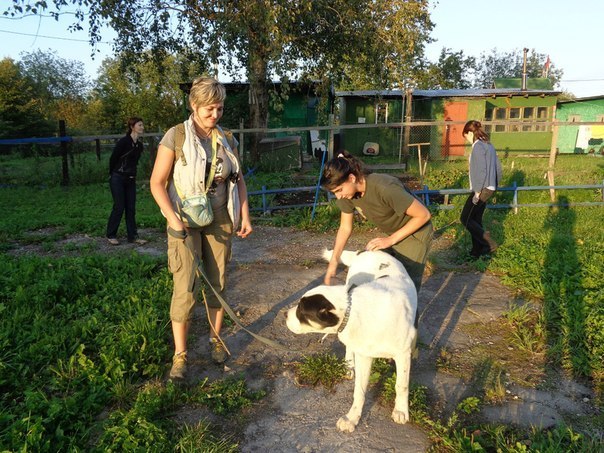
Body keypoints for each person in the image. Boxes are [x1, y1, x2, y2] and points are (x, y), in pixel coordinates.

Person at [150, 76, 253, 379]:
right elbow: (156, 183)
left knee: (217, 283)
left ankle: (216, 340)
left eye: (219, 109)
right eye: (209, 109)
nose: (215, 115)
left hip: (220, 217)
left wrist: (245, 214)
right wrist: (172, 218)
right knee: (185, 289)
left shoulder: (227, 138)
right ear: (193, 106)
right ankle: (180, 356)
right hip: (183, 220)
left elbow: (239, 179)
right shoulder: (176, 137)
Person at [320, 150, 433, 296]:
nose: (338, 196)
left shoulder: (384, 187)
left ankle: (407, 316)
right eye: (334, 192)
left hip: (416, 231)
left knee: (405, 288)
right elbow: (345, 228)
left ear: (352, 178)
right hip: (393, 232)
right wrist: (334, 262)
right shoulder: (347, 196)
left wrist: (390, 240)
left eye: (339, 190)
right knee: (376, 271)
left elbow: (424, 215)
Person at [460, 120, 503, 259]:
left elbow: (481, 170)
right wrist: (495, 184)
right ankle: (476, 252)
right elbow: (498, 168)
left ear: (470, 132)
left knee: (465, 218)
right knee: (476, 219)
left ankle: (488, 244)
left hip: (481, 188)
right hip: (489, 187)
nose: (466, 139)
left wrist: (477, 192)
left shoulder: (478, 146)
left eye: (465, 135)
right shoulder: (488, 145)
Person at [106, 116, 147, 245]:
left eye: (142, 125)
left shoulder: (139, 146)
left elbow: (134, 163)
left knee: (131, 207)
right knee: (119, 206)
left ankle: (133, 236)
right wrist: (112, 174)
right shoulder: (123, 142)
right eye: (139, 125)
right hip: (118, 178)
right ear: (132, 127)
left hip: (130, 179)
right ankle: (111, 234)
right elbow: (113, 158)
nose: (142, 127)